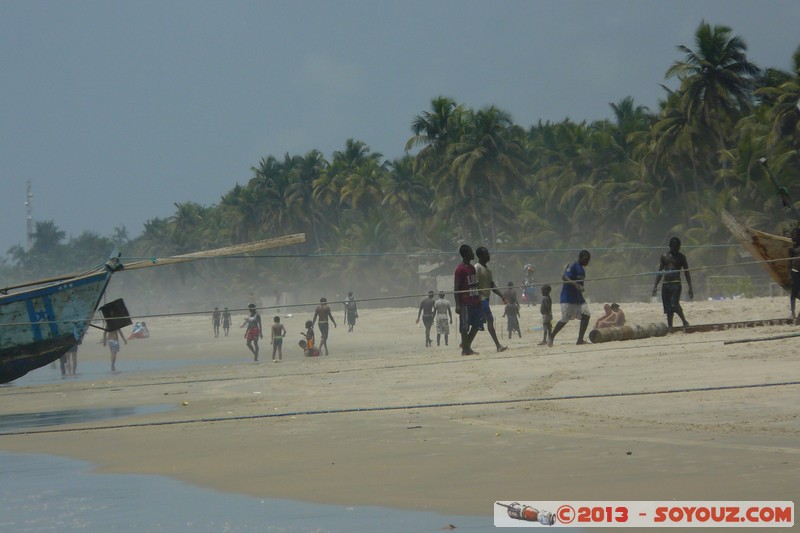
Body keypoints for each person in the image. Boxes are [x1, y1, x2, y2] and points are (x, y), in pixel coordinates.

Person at [548, 250, 592, 346]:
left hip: (579, 299)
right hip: (568, 297)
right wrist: (576, 285)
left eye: (588, 260)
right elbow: (564, 277)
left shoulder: (583, 270)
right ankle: (551, 336)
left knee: (586, 315)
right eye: (586, 259)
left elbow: (580, 284)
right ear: (581, 258)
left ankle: (580, 340)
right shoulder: (573, 265)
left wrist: (581, 289)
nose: (587, 261)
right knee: (565, 319)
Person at [652, 237, 693, 329]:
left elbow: (687, 272)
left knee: (674, 304)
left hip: (676, 283)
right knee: (668, 307)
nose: (676, 249)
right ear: (671, 246)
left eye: (677, 247)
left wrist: (690, 287)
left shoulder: (681, 257)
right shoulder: (664, 256)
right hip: (666, 283)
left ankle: (684, 321)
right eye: (674, 247)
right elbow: (660, 271)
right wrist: (655, 286)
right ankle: (670, 326)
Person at [475, 246, 508, 352]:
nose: (488, 255)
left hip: (486, 298)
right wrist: (476, 301)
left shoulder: (488, 270)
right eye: (486, 254)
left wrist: (501, 295)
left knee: (477, 323)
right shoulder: (477, 267)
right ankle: (498, 345)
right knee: (490, 319)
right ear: (480, 256)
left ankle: (465, 344)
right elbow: (474, 285)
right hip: (481, 299)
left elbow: (492, 285)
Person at [454, 244, 482, 356]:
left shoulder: (472, 268)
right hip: (465, 302)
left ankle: (466, 346)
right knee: (465, 326)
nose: (473, 253)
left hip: (475, 300)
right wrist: (457, 305)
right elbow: (456, 288)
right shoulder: (459, 270)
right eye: (471, 251)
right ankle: (466, 349)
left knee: (477, 325)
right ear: (466, 254)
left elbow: (474, 284)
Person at [789, 228, 800, 324]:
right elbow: (790, 262)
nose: (793, 237)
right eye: (792, 235)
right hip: (795, 272)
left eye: (795, 235)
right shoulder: (792, 249)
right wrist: (790, 273)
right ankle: (792, 312)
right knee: (793, 293)